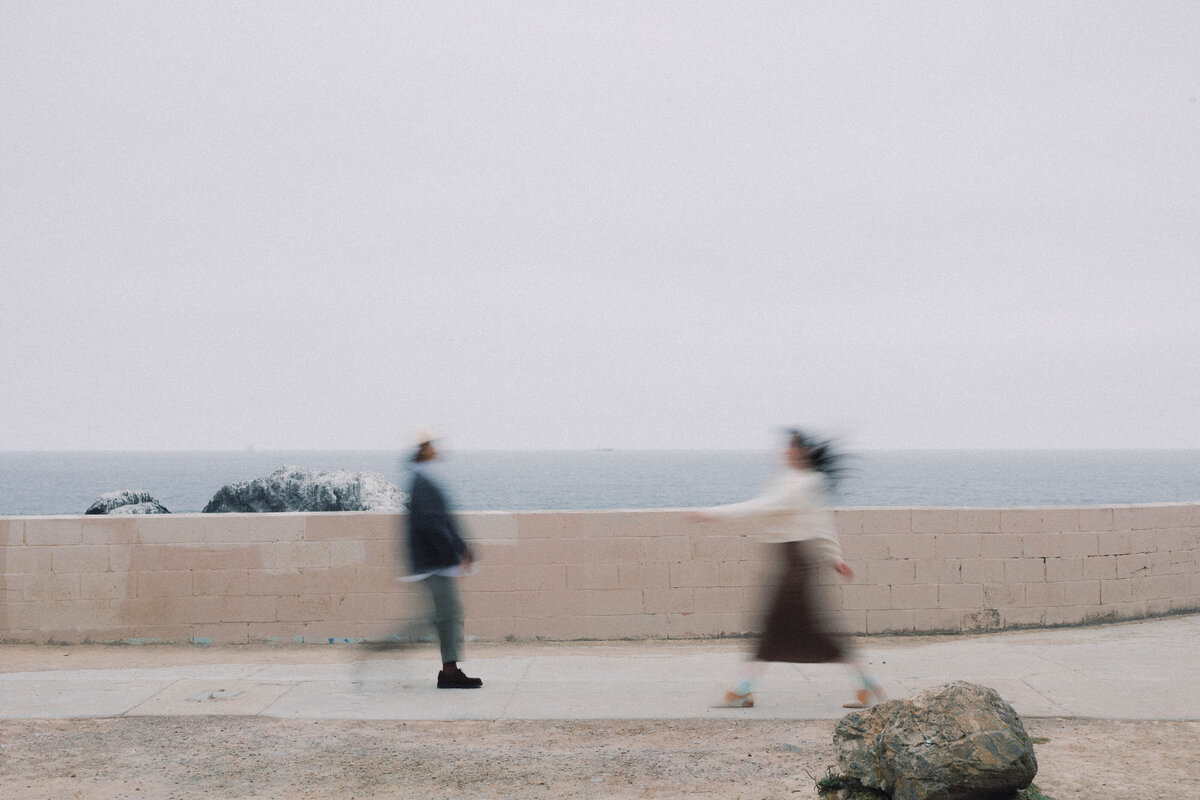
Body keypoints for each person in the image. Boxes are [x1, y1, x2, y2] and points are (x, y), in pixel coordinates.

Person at [685, 429, 883, 709]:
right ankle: (865, 685)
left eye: (789, 448)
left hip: (795, 566)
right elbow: (821, 522)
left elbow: (768, 508)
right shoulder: (796, 481)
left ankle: (743, 692)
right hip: (789, 563)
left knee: (803, 630)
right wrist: (834, 557)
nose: (784, 452)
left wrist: (712, 514)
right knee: (778, 628)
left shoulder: (801, 484)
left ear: (800, 452)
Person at [400, 430, 483, 689]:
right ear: (424, 451)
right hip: (433, 561)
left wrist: (460, 547)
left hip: (435, 559)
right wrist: (455, 552)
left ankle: (449, 670)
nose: (436, 448)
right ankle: (447, 672)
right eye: (431, 445)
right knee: (447, 614)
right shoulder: (422, 482)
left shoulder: (425, 478)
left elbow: (441, 520)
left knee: (445, 614)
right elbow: (433, 523)